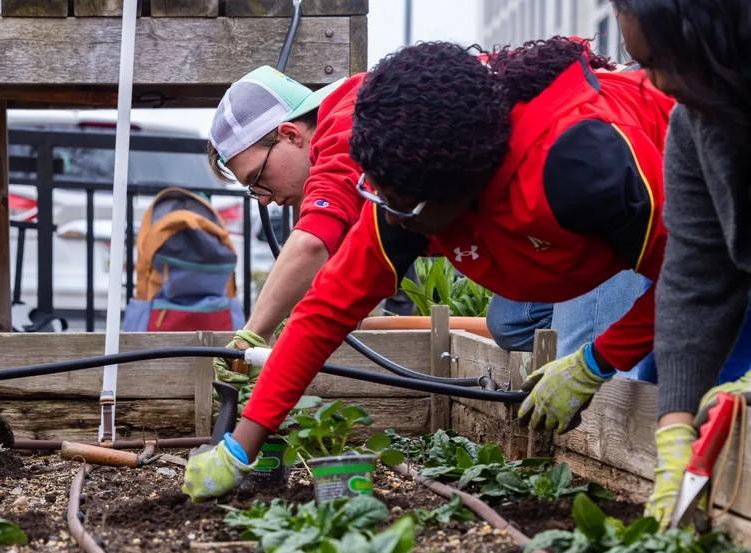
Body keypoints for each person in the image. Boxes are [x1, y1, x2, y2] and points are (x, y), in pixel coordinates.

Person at [183, 38, 674, 500]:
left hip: (692, 225)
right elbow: (323, 313)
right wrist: (238, 448)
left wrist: (595, 361)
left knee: (616, 392)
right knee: (511, 324)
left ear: (458, 192)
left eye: (399, 204)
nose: (385, 213)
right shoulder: (403, 189)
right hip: (563, 244)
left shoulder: (580, 168)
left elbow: (691, 275)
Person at [612, 0, 751, 527]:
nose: (656, 82)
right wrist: (674, 428)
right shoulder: (695, 125)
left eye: (662, 60)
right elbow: (695, 276)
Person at [205, 66, 365, 387]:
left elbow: (312, 243)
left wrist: (251, 338)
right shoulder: (356, 162)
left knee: (499, 325)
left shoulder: (346, 126)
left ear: (290, 135)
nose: (263, 201)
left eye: (257, 178)